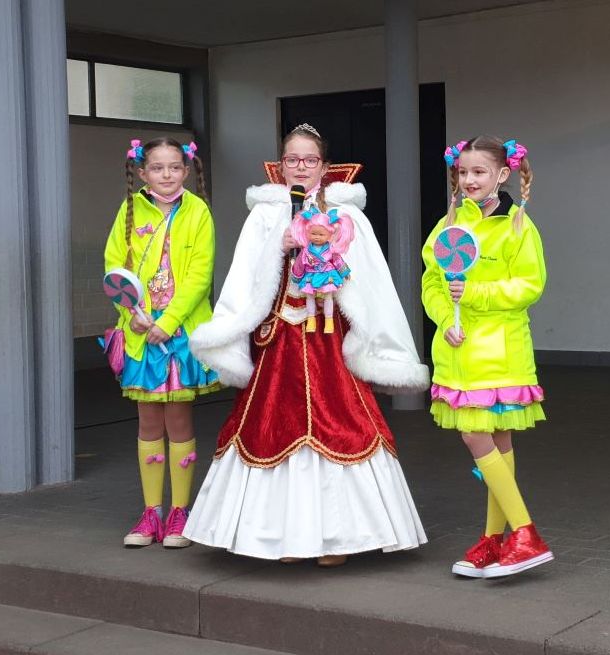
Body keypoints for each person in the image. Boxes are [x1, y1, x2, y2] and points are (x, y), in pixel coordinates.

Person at [183, 123, 428, 565]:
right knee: (272, 425)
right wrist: (279, 246)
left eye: (309, 160)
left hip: (329, 338)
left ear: (326, 167)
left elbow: (369, 279)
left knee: (343, 423)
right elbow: (245, 275)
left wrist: (332, 255)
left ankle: (336, 540)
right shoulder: (264, 213)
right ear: (280, 166)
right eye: (292, 160)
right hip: (280, 337)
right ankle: (284, 538)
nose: (300, 167)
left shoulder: (348, 214)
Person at [422, 136, 553, 578]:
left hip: (500, 352)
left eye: (479, 172)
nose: (469, 179)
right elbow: (432, 285)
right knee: (496, 442)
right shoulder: (447, 227)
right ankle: (495, 540)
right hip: (459, 353)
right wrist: (447, 318)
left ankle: (525, 532)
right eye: (463, 172)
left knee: (475, 436)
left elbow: (528, 286)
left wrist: (474, 293)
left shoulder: (517, 225)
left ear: (502, 174)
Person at [102, 137, 221, 548]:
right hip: (140, 332)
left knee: (179, 421)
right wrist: (132, 316)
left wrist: (168, 323)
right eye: (157, 168)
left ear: (186, 171)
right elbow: (114, 267)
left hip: (180, 336)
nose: (166, 175)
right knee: (148, 423)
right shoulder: (130, 210)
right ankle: (150, 512)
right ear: (142, 172)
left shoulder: (199, 212)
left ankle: (179, 513)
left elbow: (200, 275)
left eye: (174, 167)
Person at [289, 206, 353, 333]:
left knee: (328, 297)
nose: (317, 237)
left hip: (327, 275)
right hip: (310, 276)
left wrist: (344, 272)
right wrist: (296, 276)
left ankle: (329, 321)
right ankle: (310, 319)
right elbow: (299, 264)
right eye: (313, 233)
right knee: (310, 297)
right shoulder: (306, 250)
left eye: (321, 234)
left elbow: (337, 261)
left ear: (329, 235)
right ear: (307, 233)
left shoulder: (330, 249)